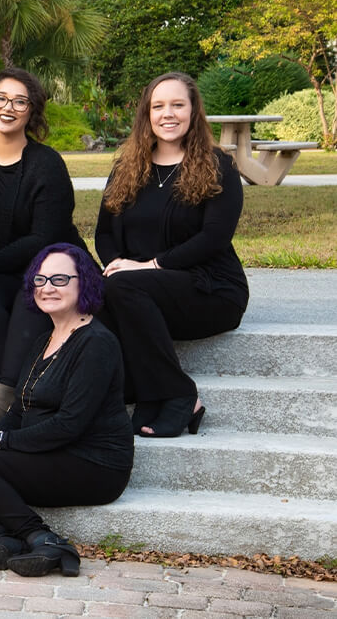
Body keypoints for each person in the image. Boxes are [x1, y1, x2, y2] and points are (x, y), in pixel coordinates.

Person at [0, 243, 133, 577]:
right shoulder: (44, 340)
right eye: (40, 280)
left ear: (83, 282)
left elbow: (70, 424)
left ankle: (42, 537)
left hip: (93, 463)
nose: (48, 287)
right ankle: (5, 538)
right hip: (52, 451)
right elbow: (18, 410)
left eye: (59, 279)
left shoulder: (96, 342)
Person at [95, 72, 248, 437]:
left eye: (178, 105)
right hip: (140, 293)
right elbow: (103, 231)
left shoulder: (217, 165)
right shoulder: (127, 166)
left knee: (124, 289)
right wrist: (116, 263)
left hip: (210, 290)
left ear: (193, 111)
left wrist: (148, 266)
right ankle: (150, 392)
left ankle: (179, 392)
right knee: (99, 292)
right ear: (146, 113)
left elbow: (214, 237)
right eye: (158, 105)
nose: (168, 114)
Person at [0, 68, 87, 434]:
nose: (8, 107)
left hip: (50, 265)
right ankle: (36, 377)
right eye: (1, 98)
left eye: (20, 101)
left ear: (31, 111)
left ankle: (5, 395)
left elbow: (44, 239)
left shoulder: (46, 164)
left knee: (34, 293)